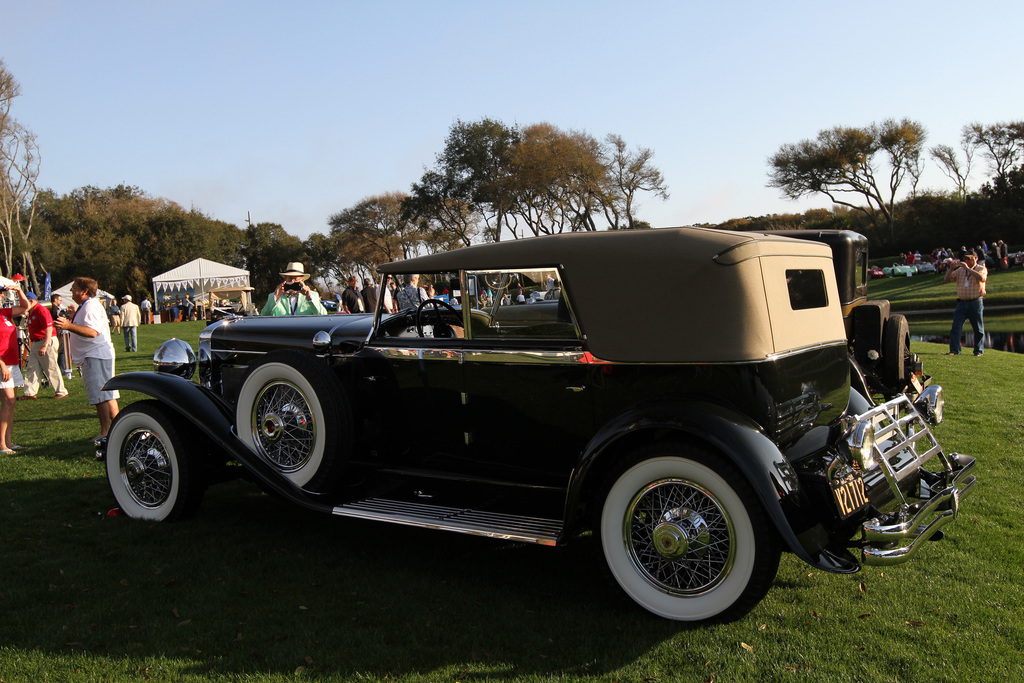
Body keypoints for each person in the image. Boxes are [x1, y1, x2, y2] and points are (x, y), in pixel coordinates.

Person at [54, 277, 120, 447]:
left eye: (74, 288)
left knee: (101, 396)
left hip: (94, 355)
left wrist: (68, 325)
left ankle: (105, 432)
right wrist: (73, 316)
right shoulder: (89, 305)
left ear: (84, 291)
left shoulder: (90, 306)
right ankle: (120, 429)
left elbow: (92, 332)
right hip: (97, 354)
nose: (71, 291)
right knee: (108, 394)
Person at [0, 286, 32, 453]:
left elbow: (25, 306)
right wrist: (2, 364)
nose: (0, 296)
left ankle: (8, 441)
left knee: (10, 403)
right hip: (3, 364)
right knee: (8, 400)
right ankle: (2, 443)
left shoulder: (4, 313)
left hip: (12, 363)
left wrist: (19, 290)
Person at [21, 292, 68, 400]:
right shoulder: (32, 311)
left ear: (31, 301)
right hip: (36, 342)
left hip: (45, 341)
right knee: (32, 366)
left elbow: (49, 328)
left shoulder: (41, 310)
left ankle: (61, 391)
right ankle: (29, 392)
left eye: (25, 302)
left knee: (51, 366)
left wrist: (45, 345)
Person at [944, 249, 988, 356]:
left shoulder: (981, 268)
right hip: (962, 303)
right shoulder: (960, 271)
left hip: (975, 302)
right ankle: (954, 350)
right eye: (965, 259)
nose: (966, 260)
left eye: (969, 258)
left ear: (975, 258)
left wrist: (969, 269)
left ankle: (978, 351)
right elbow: (947, 279)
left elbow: (982, 278)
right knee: (956, 327)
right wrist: (951, 269)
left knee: (978, 328)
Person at [261, 262, 327, 316]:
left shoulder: (313, 295)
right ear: (285, 279)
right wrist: (276, 297)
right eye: (290, 278)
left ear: (302, 280)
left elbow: (323, 315)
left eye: (296, 279)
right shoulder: (274, 296)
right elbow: (264, 315)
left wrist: (309, 298)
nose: (292, 282)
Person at [50, 293, 72, 379]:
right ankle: (62, 370)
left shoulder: (54, 308)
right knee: (62, 350)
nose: (61, 302)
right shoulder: (54, 308)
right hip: (58, 331)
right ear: (55, 300)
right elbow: (56, 319)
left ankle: (61, 369)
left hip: (57, 332)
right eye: (60, 300)